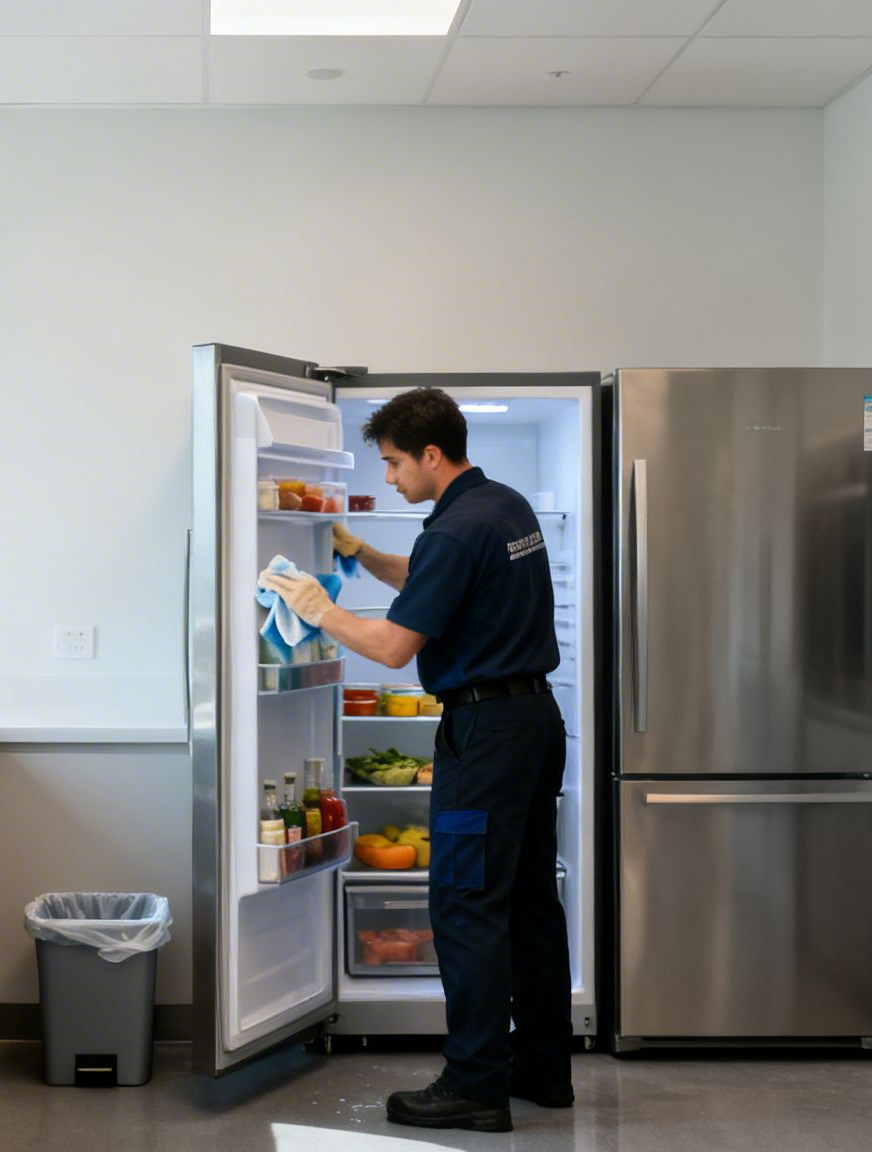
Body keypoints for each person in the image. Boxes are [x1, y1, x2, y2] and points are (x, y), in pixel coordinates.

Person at [259, 387, 572, 1134]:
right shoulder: (503, 508)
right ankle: (541, 1070)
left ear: (433, 455)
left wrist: (321, 610)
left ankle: (473, 1086)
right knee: (528, 902)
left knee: (466, 906)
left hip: (484, 736)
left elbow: (397, 648)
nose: (392, 478)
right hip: (534, 722)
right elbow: (437, 585)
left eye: (396, 464)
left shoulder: (455, 531)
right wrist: (360, 555)